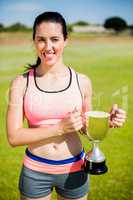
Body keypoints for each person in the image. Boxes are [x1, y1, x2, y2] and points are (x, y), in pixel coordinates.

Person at [6, 11, 126, 200]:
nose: (48, 47)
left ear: (65, 40)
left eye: (54, 39)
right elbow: (14, 137)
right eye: (41, 40)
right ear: (34, 41)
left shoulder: (82, 81)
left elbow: (85, 128)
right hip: (35, 172)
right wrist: (60, 128)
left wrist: (104, 122)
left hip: (75, 170)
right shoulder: (21, 83)